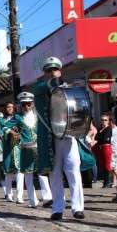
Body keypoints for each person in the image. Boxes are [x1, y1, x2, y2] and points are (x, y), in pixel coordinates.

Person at [34, 57, 95, 220]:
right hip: (50, 137)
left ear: (60, 70)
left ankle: (77, 208)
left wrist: (90, 124)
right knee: (54, 173)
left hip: (69, 135)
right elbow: (47, 86)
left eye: (55, 69)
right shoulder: (40, 88)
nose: (52, 72)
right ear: (45, 73)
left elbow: (80, 108)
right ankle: (57, 208)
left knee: (73, 170)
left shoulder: (68, 88)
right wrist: (57, 81)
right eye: (48, 70)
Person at [2, 92, 52, 208]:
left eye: (28, 104)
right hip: (25, 149)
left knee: (42, 173)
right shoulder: (18, 117)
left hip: (38, 148)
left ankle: (47, 198)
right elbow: (3, 125)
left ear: (32, 104)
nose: (26, 107)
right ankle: (33, 200)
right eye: (24, 104)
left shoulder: (37, 115)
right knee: (28, 175)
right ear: (20, 105)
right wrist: (11, 132)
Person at [0, 101, 21, 202]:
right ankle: (8, 194)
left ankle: (19, 196)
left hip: (18, 148)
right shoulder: (1, 121)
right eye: (8, 107)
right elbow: (2, 131)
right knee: (8, 172)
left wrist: (19, 134)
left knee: (20, 172)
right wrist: (10, 132)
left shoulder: (18, 118)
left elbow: (23, 129)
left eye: (12, 107)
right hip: (8, 148)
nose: (10, 109)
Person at [93, 113, 114, 188]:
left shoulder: (109, 128)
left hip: (106, 147)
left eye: (105, 120)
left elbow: (105, 139)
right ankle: (106, 182)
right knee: (102, 164)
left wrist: (99, 137)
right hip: (101, 147)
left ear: (108, 121)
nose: (104, 121)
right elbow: (96, 137)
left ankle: (108, 182)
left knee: (107, 165)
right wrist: (100, 137)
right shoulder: (100, 129)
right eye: (102, 120)